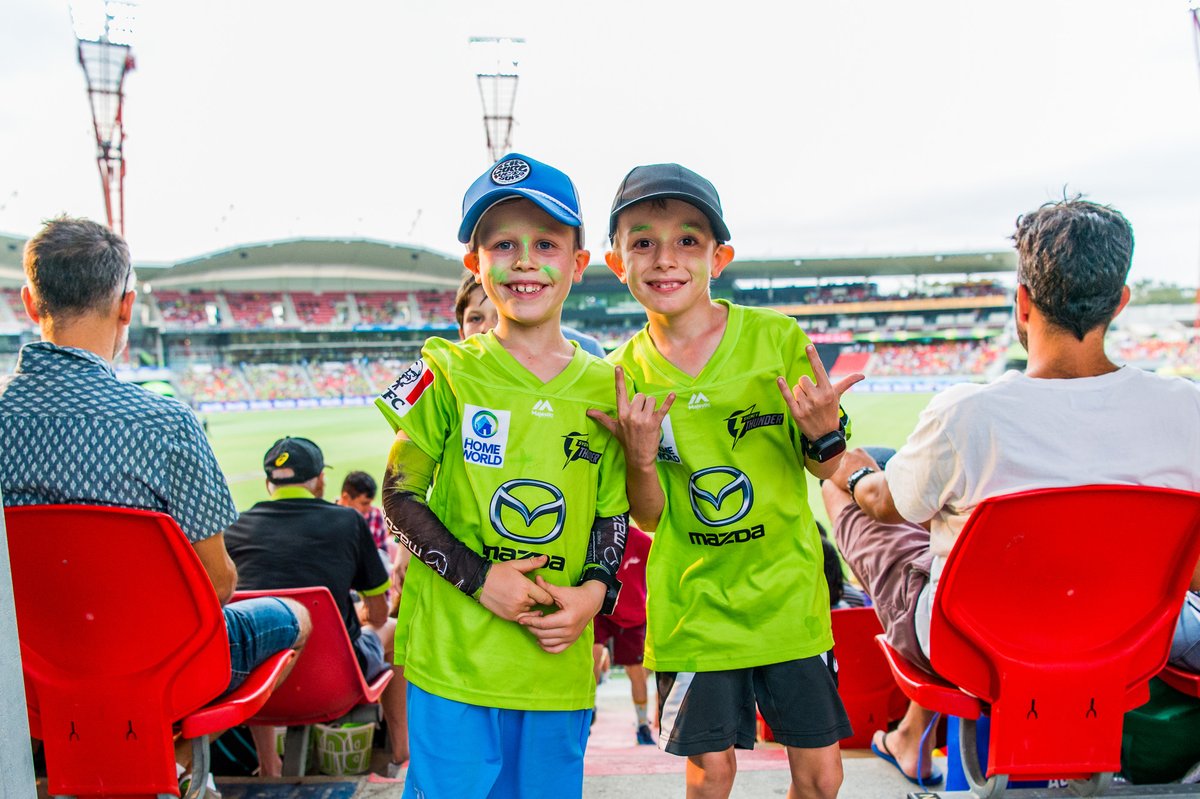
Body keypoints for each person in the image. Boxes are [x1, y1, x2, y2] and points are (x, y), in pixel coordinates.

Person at [822, 197, 1200, 786]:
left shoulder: (967, 413)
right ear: (1119, 303)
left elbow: (885, 506)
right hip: (1138, 637)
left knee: (866, 505)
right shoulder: (1187, 409)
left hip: (975, 643)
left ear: (1022, 303)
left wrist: (846, 467)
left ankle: (907, 737)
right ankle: (910, 736)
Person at [0, 216, 310, 791]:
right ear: (126, 306)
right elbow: (218, 584)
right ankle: (184, 762)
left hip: (29, 679)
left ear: (28, 302)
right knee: (299, 616)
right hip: (164, 675)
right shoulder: (166, 425)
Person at [594, 164, 858, 799]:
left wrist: (825, 434)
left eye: (688, 240)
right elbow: (651, 519)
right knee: (711, 777)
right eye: (642, 242)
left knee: (821, 780)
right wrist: (636, 456)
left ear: (720, 255)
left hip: (787, 602)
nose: (666, 259)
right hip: (694, 612)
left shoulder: (777, 339)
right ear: (616, 262)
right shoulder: (617, 374)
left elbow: (826, 467)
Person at [377, 153, 629, 799]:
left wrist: (595, 595)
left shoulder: (613, 385)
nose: (524, 260)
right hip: (454, 658)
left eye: (546, 242)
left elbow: (612, 512)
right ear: (475, 264)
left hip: (553, 658)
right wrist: (480, 579)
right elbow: (399, 493)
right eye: (503, 244)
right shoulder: (442, 367)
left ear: (578, 262)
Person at [223, 437, 409, 778]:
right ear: (321, 480)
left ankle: (269, 767)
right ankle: (401, 756)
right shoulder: (349, 523)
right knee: (395, 631)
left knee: (258, 643)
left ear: (269, 482)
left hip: (259, 691)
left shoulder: (234, 527)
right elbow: (380, 614)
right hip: (334, 683)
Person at [591, 524, 655, 745]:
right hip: (599, 607)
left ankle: (642, 725)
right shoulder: (596, 535)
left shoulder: (643, 542)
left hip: (633, 613)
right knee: (593, 654)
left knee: (635, 671)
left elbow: (662, 569)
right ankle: (587, 710)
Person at [453, 269, 606, 355]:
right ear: (461, 334)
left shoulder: (588, 350)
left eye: (499, 316)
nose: (486, 327)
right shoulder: (449, 376)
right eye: (475, 318)